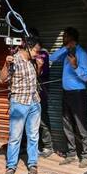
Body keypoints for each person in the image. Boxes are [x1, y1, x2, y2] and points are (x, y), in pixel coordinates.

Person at [0, 37, 43, 174]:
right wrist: (6, 64)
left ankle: (32, 163)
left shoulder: (32, 61)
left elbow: (34, 78)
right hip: (19, 103)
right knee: (15, 137)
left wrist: (39, 67)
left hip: (34, 102)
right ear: (28, 48)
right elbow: (2, 79)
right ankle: (11, 166)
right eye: (36, 51)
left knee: (33, 135)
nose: (37, 54)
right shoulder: (14, 59)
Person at [49, 27, 87, 167]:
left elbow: (86, 77)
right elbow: (51, 58)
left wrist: (75, 66)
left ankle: (85, 155)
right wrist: (65, 48)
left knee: (81, 125)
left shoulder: (81, 54)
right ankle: (71, 154)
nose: (63, 38)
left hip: (78, 94)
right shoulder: (66, 52)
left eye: (65, 36)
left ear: (72, 39)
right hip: (66, 93)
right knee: (67, 124)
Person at [28, 27, 54, 158]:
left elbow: (42, 72)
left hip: (41, 92)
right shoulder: (25, 53)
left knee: (42, 119)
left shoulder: (42, 54)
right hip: (28, 93)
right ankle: (30, 146)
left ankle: (48, 146)